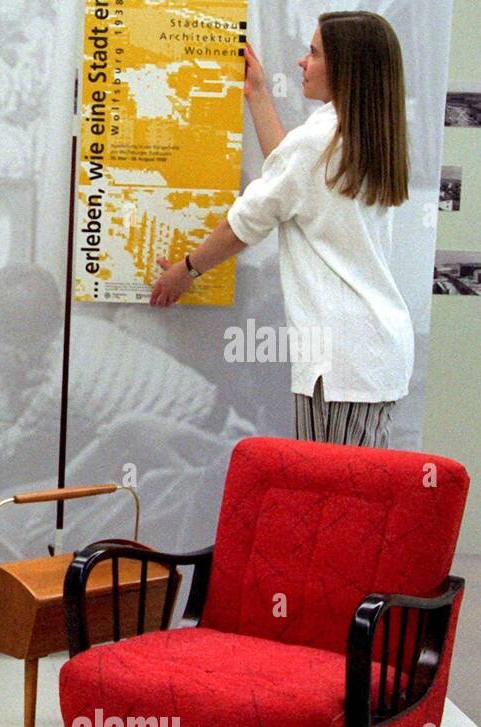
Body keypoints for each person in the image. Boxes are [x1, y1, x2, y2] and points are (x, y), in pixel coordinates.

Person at [148, 11, 413, 449]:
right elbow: (288, 176)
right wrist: (258, 96)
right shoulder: (359, 133)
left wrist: (186, 271)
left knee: (334, 497)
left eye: (313, 53)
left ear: (344, 66)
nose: (301, 62)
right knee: (350, 493)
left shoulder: (321, 140)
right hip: (371, 351)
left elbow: (248, 218)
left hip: (342, 359)